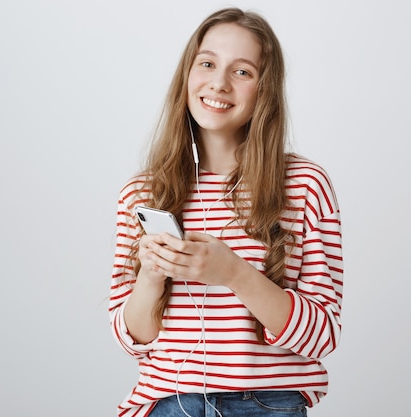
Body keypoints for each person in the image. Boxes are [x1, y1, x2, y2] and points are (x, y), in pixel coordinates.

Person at [109, 7, 343, 417]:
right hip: (165, 404)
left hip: (266, 405)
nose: (218, 82)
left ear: (264, 90)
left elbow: (322, 335)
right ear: (188, 74)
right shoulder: (143, 193)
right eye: (208, 63)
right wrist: (150, 275)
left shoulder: (304, 185)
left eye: (242, 72)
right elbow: (133, 338)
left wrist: (233, 273)